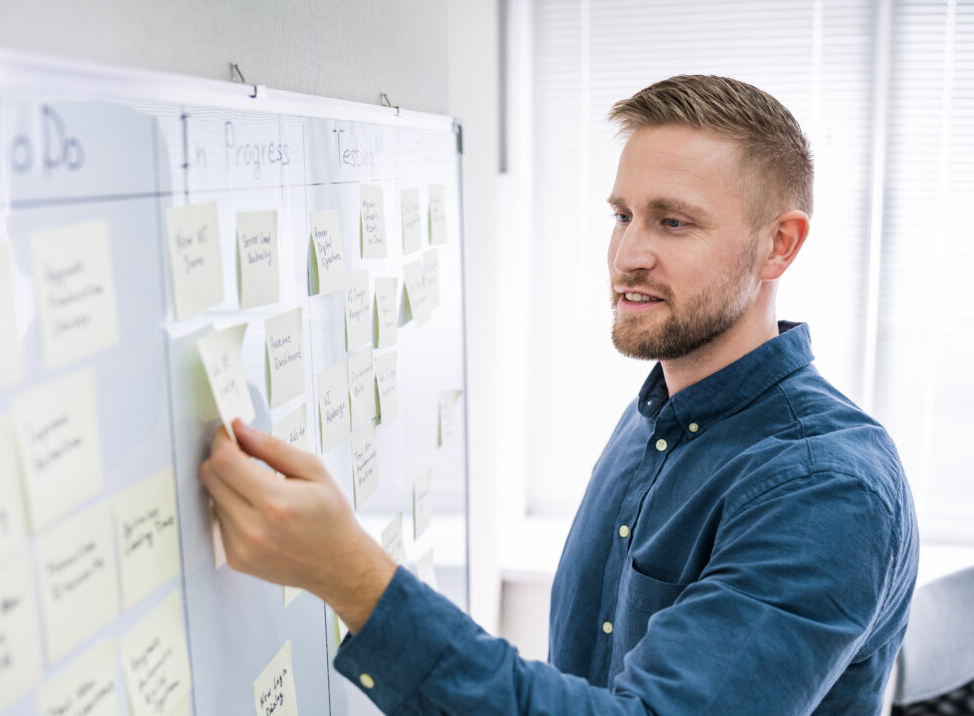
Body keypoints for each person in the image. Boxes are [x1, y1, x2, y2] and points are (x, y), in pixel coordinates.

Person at [199, 75, 919, 714]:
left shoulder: (825, 490)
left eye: (673, 221)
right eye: (622, 215)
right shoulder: (655, 418)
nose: (627, 255)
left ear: (780, 245)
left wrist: (351, 577)